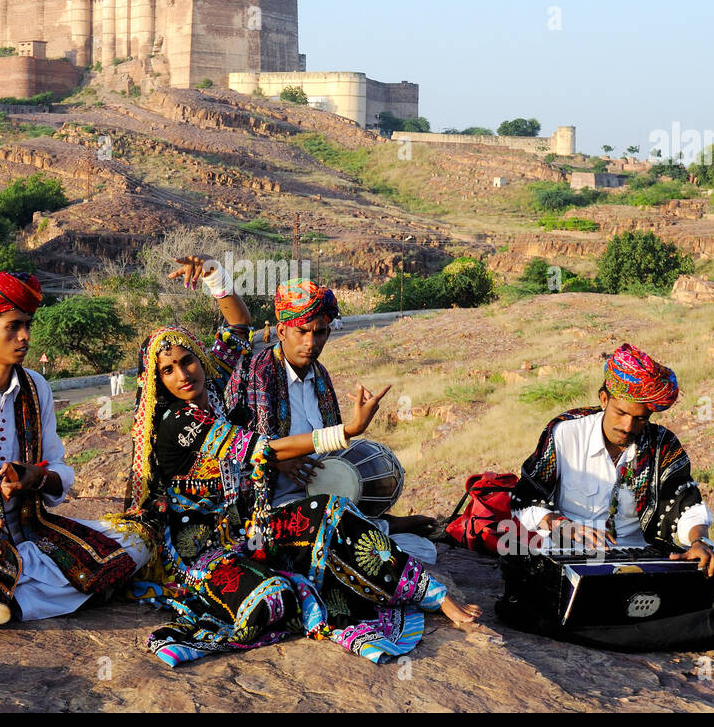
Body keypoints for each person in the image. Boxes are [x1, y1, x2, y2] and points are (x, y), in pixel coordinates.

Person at [115, 255, 479, 667]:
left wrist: (215, 275)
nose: (182, 374)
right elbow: (262, 450)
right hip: (200, 550)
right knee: (274, 601)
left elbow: (238, 327)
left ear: (200, 357)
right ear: (157, 381)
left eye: (187, 361)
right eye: (168, 370)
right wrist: (347, 432)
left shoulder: (213, 383)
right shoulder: (178, 420)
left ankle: (433, 595)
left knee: (330, 510)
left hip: (245, 526)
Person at [0, 271, 148, 629]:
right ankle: (29, 592)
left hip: (31, 533)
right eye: (13, 327)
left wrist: (36, 477)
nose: (25, 337)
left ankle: (5, 602)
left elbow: (60, 471)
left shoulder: (37, 388)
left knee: (137, 541)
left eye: (27, 326)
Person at [510, 343, 714, 598]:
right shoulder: (565, 432)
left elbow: (685, 504)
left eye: (640, 418)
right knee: (530, 563)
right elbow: (525, 499)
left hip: (641, 556)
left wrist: (699, 542)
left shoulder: (662, 444)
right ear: (603, 399)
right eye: (620, 412)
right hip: (575, 555)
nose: (628, 426)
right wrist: (561, 525)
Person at [225, 277, 437, 557]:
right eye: (302, 332)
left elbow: (331, 451)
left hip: (319, 496)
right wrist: (277, 461)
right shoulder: (257, 373)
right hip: (269, 507)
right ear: (281, 331)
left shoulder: (319, 375)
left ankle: (379, 525)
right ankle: (382, 528)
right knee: (368, 553)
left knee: (423, 551)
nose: (311, 343)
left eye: (320, 332)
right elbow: (236, 445)